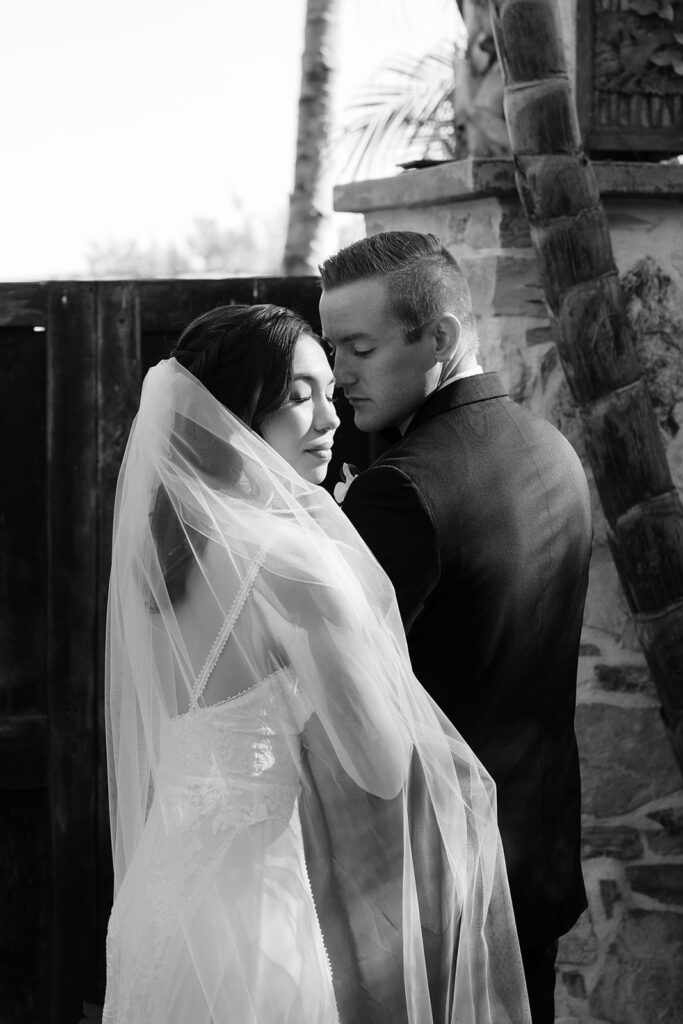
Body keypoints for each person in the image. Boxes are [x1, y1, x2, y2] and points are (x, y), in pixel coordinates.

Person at [102, 303, 531, 1024]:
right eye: (300, 396)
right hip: (253, 924)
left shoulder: (161, 555)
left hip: (156, 903)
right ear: (234, 413)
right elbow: (381, 766)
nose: (331, 419)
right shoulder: (297, 563)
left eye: (329, 393)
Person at [319, 232, 593, 1024]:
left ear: (437, 337)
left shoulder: (401, 487)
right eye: (334, 347)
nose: (339, 375)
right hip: (532, 863)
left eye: (359, 348)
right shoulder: (551, 449)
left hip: (433, 893)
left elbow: (333, 696)